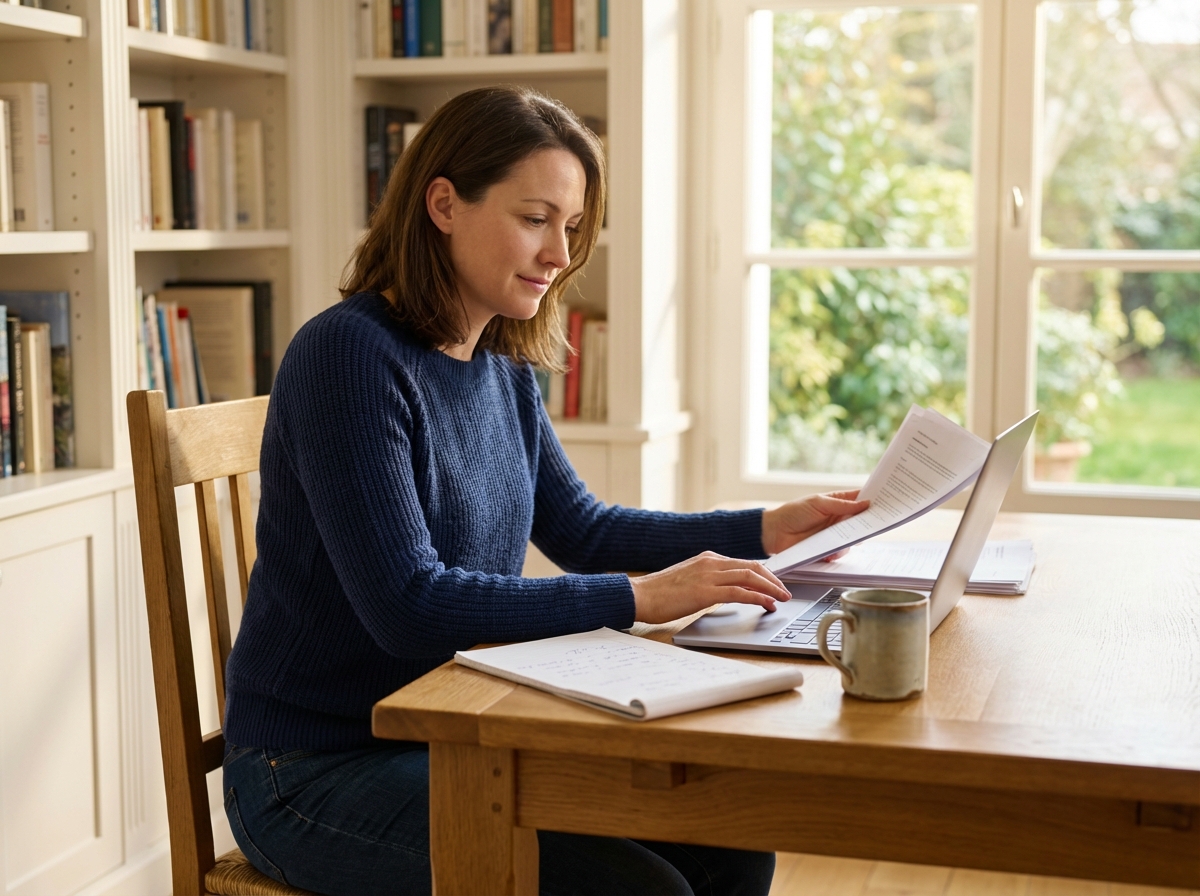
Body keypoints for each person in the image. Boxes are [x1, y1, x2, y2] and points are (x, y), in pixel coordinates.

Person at [222, 85, 868, 896]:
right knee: (638, 889)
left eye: (570, 228)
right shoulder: (346, 357)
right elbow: (408, 605)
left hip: (458, 734)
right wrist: (639, 597)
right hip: (310, 771)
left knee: (733, 842)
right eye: (536, 219)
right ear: (445, 204)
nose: (560, 255)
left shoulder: (501, 364)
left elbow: (585, 530)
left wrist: (766, 527)